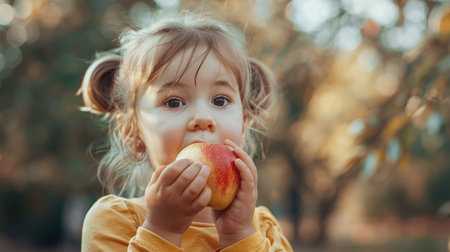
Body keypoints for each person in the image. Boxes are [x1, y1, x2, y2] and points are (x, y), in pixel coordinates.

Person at [79, 12, 293, 251]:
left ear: (243, 125)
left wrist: (239, 236)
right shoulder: (116, 222)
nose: (203, 117)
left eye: (220, 100)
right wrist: (162, 231)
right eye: (173, 102)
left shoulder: (263, 230)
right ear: (131, 131)